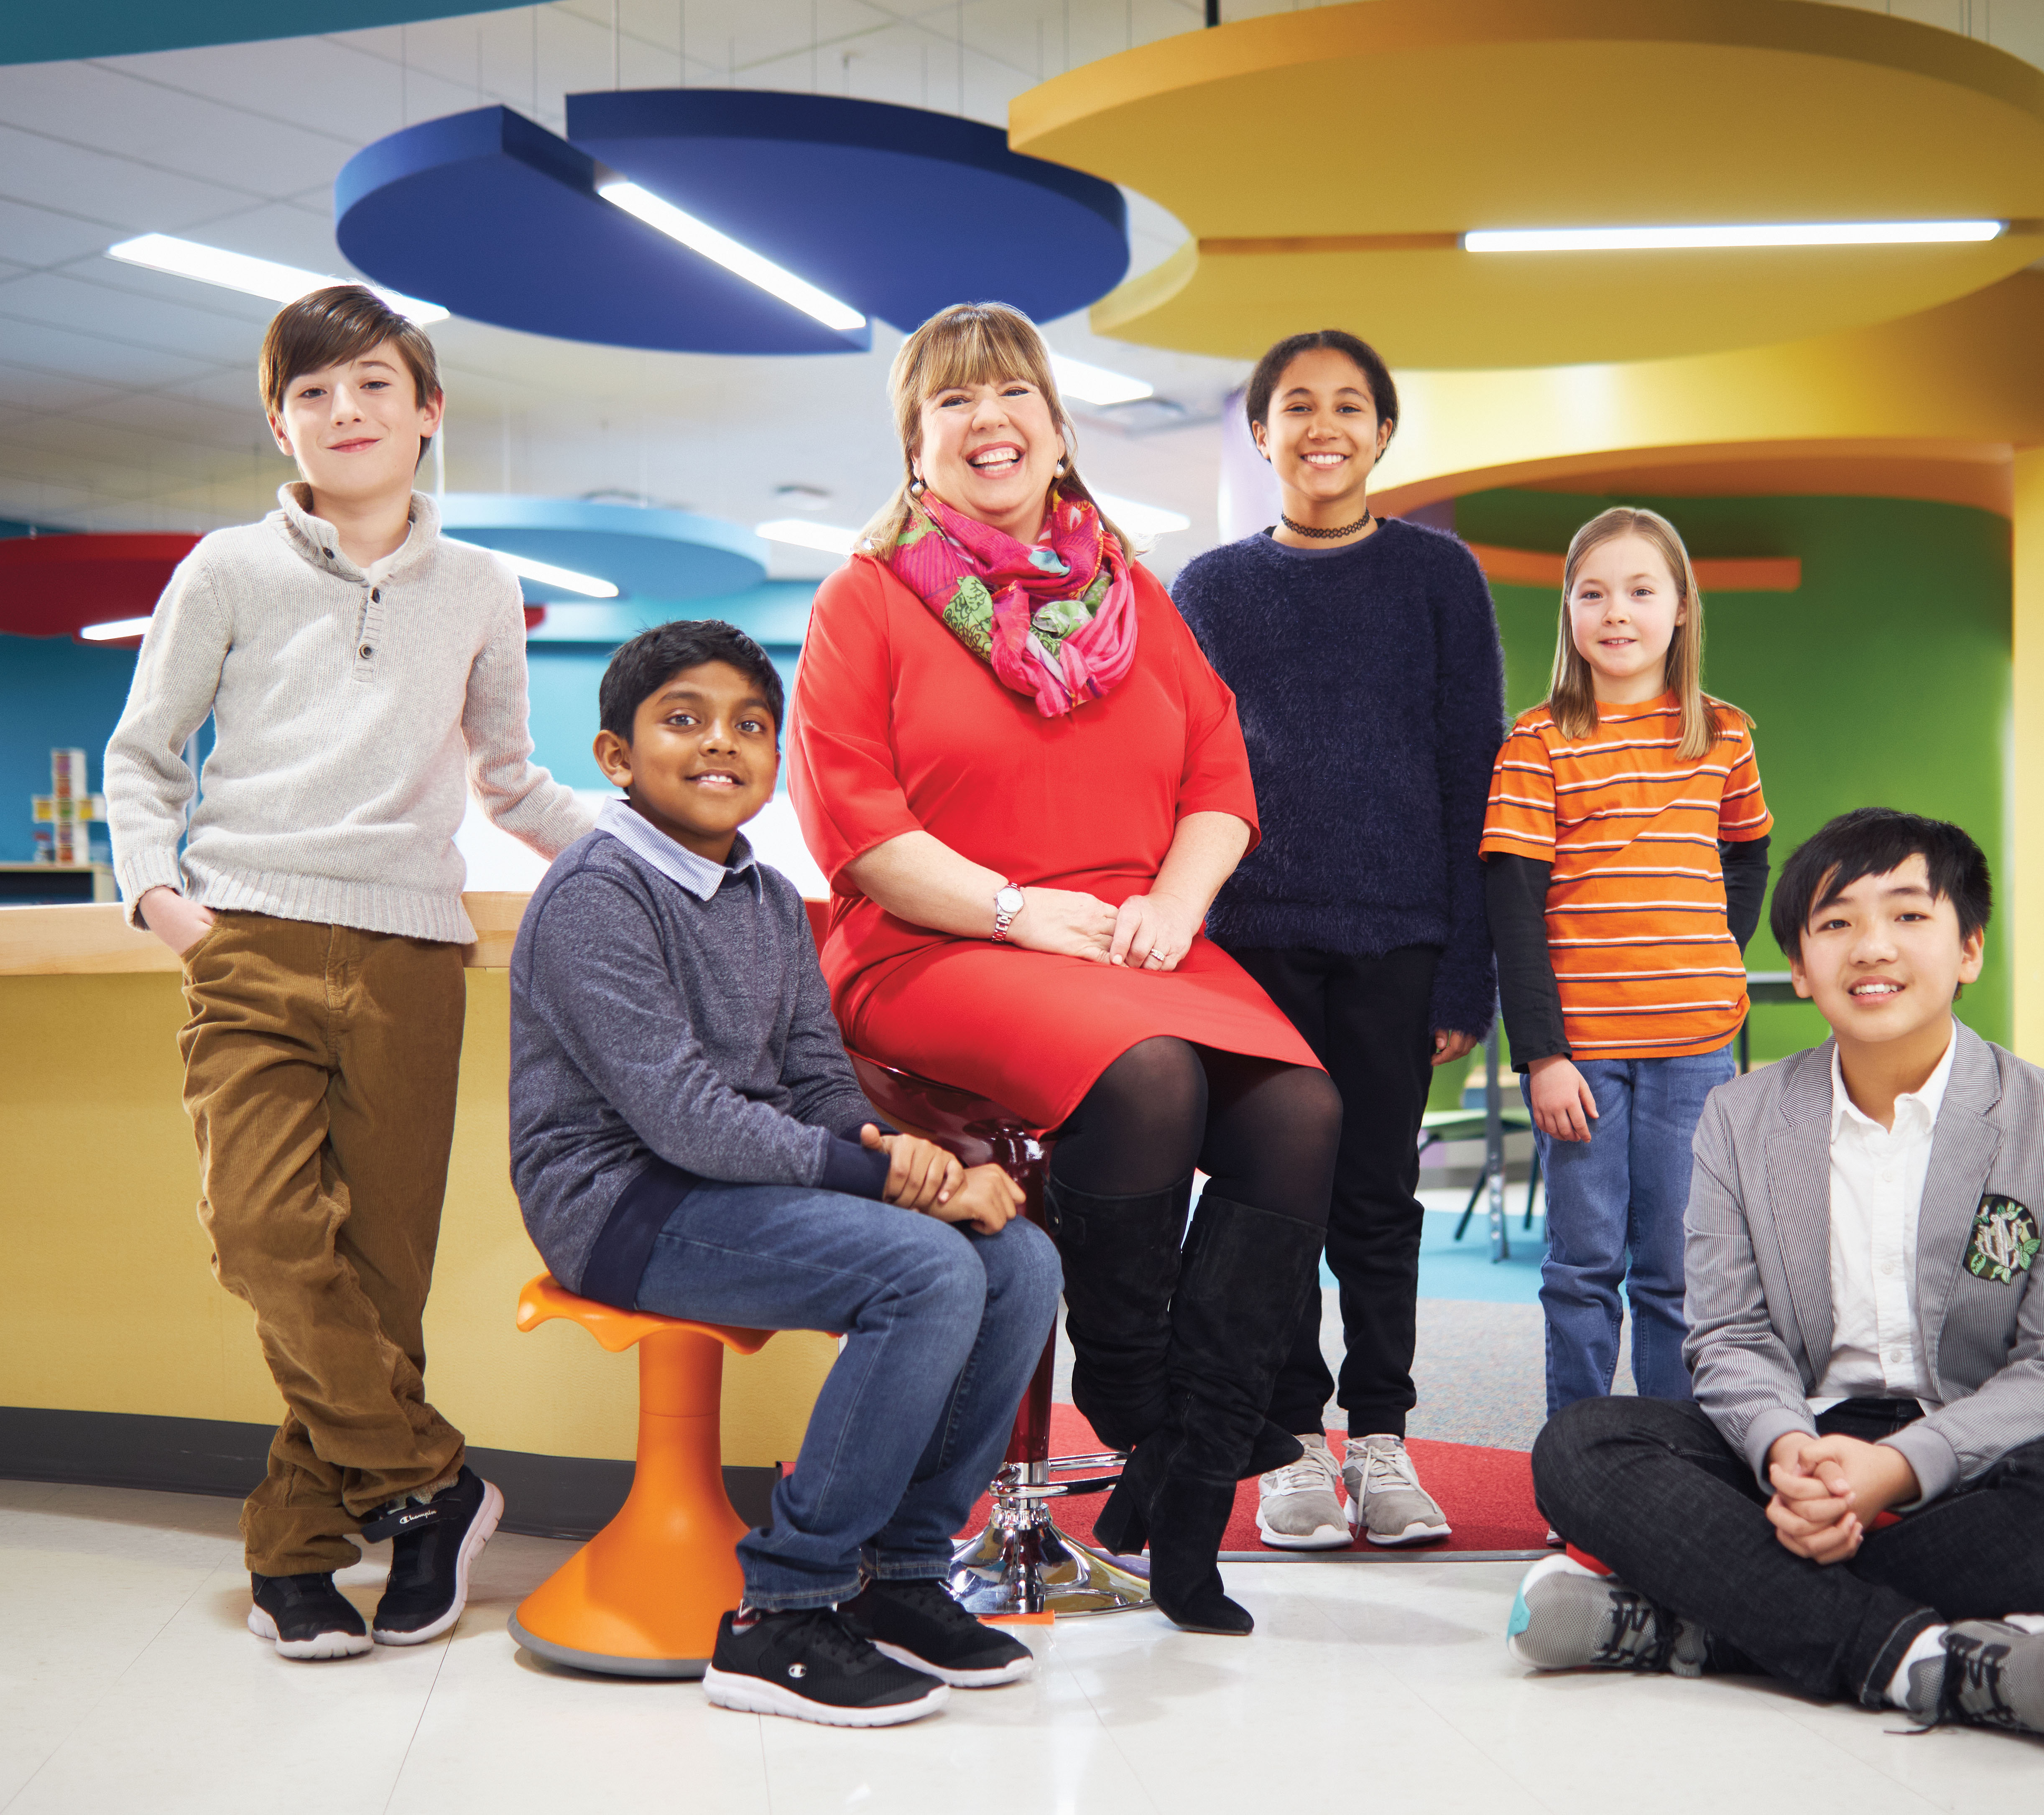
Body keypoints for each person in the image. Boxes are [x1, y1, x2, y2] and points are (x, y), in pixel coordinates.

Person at [788, 301, 1341, 1637]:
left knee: (1301, 1107)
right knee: (1147, 1077)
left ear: (1055, 422)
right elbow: (854, 827)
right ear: (916, 444)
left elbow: (1220, 776)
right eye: (953, 402)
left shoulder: (1135, 596)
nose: (990, 420)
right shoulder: (865, 600)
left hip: (1139, 932)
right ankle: (1140, 1403)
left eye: (1012, 393)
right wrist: (1016, 908)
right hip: (945, 937)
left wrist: (1174, 894)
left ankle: (1192, 1483)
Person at [102, 286, 594, 1660]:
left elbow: (510, 779)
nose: (345, 412)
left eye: (373, 385)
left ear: (428, 412)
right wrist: (162, 899)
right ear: (280, 422)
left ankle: (302, 1549)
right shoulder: (225, 570)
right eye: (312, 393)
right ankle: (432, 1481)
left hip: (411, 958)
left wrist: (659, 851)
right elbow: (142, 756)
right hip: (246, 942)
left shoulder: (483, 586)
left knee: (375, 1280)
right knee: (261, 1238)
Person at [1511, 809, 2044, 1748]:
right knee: (1580, 1444)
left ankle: (1702, 1623)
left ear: (1968, 949)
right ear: (1798, 967)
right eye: (1835, 923)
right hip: (1801, 1443)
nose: (1871, 947)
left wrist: (1896, 1472)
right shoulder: (1739, 1116)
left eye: (1908, 916)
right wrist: (1789, 1451)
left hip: (1981, 1453)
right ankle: (1919, 1658)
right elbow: (1731, 1337)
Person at [510, 620, 1056, 1728]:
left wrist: (902, 1163)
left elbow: (816, 1080)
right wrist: (907, 1185)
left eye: (750, 724)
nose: (723, 744)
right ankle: (786, 1608)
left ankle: (902, 1576)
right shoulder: (596, 893)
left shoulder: (762, 892)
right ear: (617, 755)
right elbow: (683, 1117)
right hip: (621, 1203)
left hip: (732, 1187)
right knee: (929, 1271)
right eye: (684, 719)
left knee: (1022, 1261)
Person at [1171, 329, 1505, 1549]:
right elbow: (1181, 773)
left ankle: (1383, 1437)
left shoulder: (1438, 576)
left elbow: (1477, 771)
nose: (1323, 425)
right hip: (1251, 942)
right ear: (1260, 433)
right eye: (1296, 405)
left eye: (1349, 405)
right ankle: (1293, 1445)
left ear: (1382, 432)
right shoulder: (1209, 588)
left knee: (1377, 1197)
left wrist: (1469, 964)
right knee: (1270, 1201)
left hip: (1398, 938)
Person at [1481, 506, 1772, 1417]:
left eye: (1641, 590)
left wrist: (1717, 947)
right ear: (1567, 610)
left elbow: (1749, 851)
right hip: (1584, 1058)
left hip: (1696, 1049)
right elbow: (1512, 909)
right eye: (1593, 591)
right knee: (1583, 1264)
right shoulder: (1538, 742)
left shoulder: (1723, 734)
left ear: (1681, 607)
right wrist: (1542, 1053)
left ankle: (1672, 1462)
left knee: (1678, 1270)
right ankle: (1579, 1457)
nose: (1617, 611)